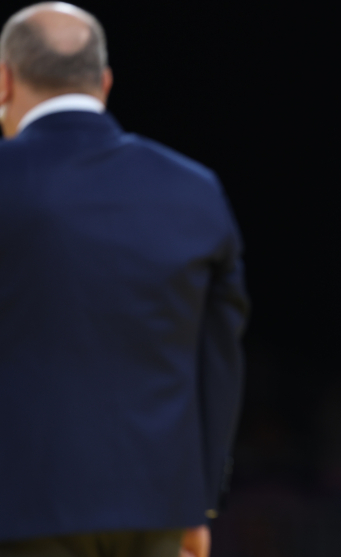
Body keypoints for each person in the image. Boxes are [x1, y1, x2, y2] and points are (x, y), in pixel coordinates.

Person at [0, 3, 248, 557]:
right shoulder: (194, 189)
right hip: (157, 506)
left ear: (5, 79)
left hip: (18, 506)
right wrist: (199, 502)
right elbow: (217, 361)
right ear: (104, 81)